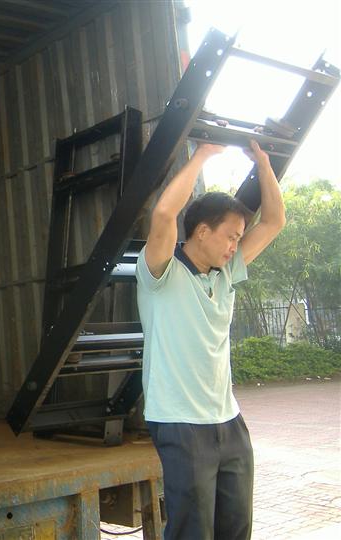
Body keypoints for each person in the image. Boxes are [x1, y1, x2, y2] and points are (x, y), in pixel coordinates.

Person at [136, 140, 286, 540]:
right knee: (193, 532)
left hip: (228, 420)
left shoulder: (226, 273)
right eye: (231, 236)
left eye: (239, 238)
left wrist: (264, 164)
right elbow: (164, 213)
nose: (236, 246)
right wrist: (201, 156)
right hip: (180, 421)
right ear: (202, 231)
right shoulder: (160, 272)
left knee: (237, 528)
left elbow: (273, 222)